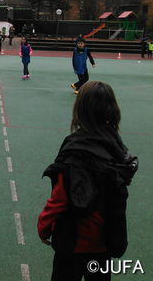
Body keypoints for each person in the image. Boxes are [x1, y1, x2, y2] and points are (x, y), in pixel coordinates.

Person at [37, 81, 138, 281]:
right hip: (104, 241)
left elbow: (60, 199)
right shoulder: (117, 147)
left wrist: (44, 226)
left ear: (80, 111)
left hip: (73, 242)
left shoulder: (75, 150)